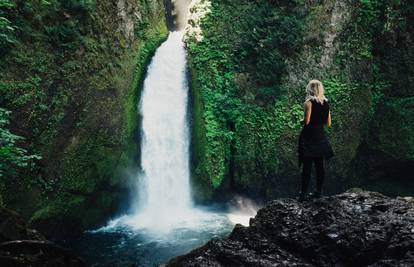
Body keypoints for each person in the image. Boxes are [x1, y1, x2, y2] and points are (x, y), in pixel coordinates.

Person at [298, 80, 333, 201]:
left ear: (310, 89)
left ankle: (303, 194)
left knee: (307, 166)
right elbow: (328, 123)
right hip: (320, 136)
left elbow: (306, 121)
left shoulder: (308, 103)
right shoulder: (326, 103)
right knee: (320, 166)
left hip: (309, 137)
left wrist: (300, 121)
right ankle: (319, 191)